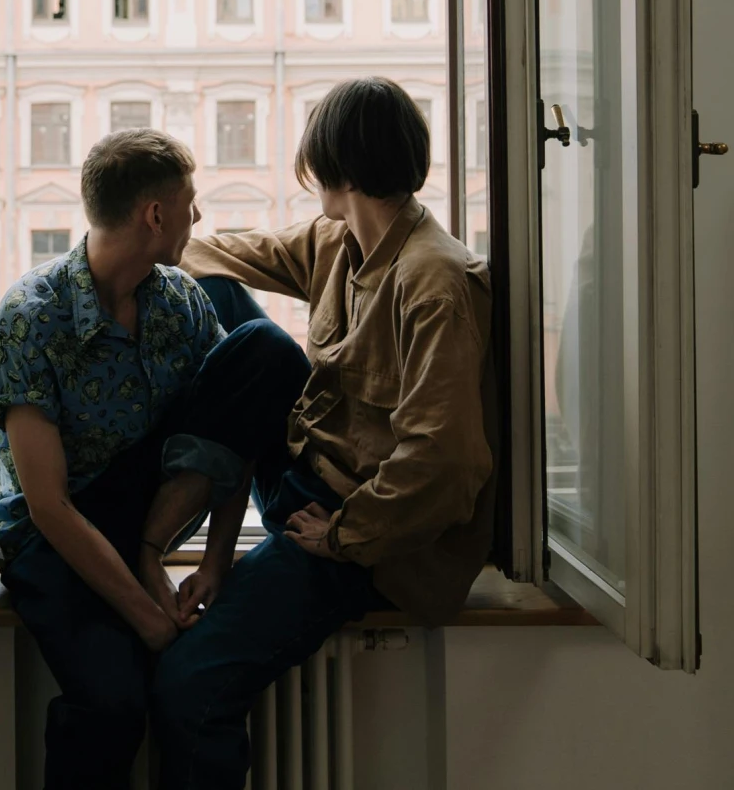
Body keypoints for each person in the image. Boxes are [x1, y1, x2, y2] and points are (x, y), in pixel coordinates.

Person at [151, 77, 498, 790]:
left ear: (338, 164)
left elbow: (445, 460)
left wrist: (342, 534)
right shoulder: (338, 241)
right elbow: (212, 258)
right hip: (308, 475)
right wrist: (129, 246)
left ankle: (166, 523)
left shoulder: (434, 281)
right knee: (245, 327)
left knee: (187, 683)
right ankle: (151, 516)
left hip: (356, 537)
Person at [0, 129, 309, 790]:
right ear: (154, 214)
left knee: (265, 348)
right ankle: (139, 566)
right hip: (56, 533)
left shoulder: (178, 298)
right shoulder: (31, 315)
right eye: (190, 203)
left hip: (144, 505)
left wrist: (218, 556)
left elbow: (237, 421)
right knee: (113, 703)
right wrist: (146, 614)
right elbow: (48, 505)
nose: (199, 219)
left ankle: (147, 546)